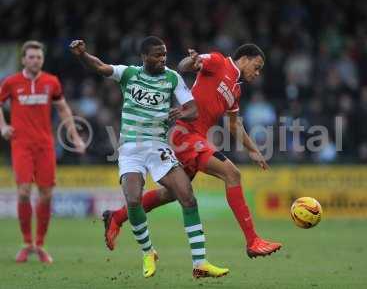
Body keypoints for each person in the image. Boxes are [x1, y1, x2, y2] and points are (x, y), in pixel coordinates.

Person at [69, 36, 229, 278]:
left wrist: (181, 114)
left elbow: (193, 108)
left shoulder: (172, 77)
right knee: (133, 199)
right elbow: (101, 67)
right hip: (131, 149)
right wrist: (82, 55)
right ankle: (148, 251)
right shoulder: (129, 74)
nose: (162, 58)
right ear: (144, 56)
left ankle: (200, 263)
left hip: (157, 147)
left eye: (164, 54)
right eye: (157, 54)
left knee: (187, 195)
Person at [104, 44, 282, 258]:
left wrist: (254, 151)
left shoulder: (236, 90)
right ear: (244, 58)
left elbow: (234, 125)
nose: (258, 72)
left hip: (194, 138)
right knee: (232, 173)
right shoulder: (218, 62)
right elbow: (185, 65)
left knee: (169, 194)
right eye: (257, 66)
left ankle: (117, 217)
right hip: (185, 134)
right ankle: (253, 241)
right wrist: (193, 62)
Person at [0, 40, 86, 264]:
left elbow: (63, 108)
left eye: (38, 57)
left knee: (46, 195)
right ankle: (26, 243)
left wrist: (74, 136)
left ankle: (39, 245)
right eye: (31, 57)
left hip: (45, 145)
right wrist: (3, 126)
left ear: (42, 60)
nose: (35, 60)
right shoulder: (11, 83)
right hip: (21, 145)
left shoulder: (51, 82)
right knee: (24, 192)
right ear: (23, 59)